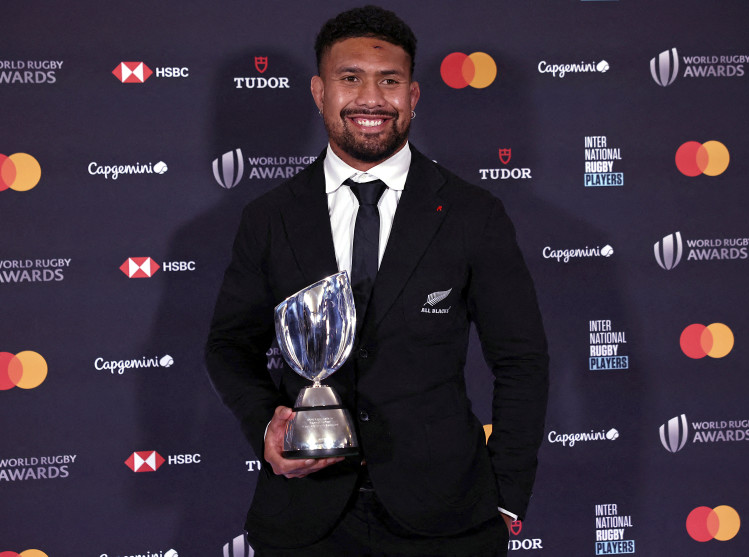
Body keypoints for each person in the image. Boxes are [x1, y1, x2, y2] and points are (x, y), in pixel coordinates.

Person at [206, 6, 549, 556]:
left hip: (446, 521)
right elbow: (229, 345)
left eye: (389, 81)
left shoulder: (472, 214)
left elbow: (522, 359)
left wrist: (506, 493)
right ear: (319, 92)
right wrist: (267, 425)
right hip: (304, 520)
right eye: (350, 78)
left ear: (413, 95)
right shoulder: (269, 218)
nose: (371, 99)